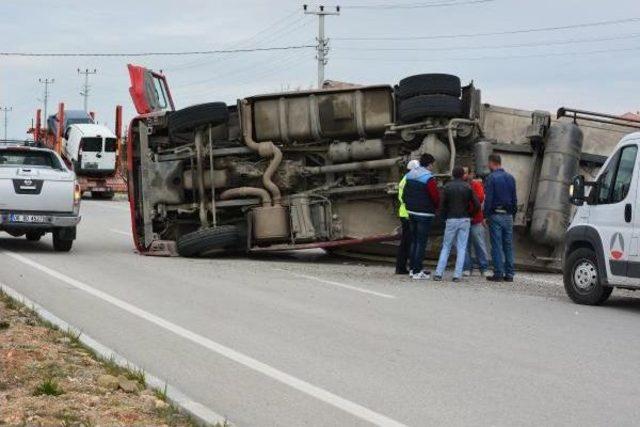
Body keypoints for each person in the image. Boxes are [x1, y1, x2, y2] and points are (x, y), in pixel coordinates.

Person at [434, 166, 480, 282]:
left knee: (446, 247)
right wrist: (470, 214)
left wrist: (443, 217)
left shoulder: (447, 187)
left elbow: (442, 205)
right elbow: (477, 205)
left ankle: (439, 273)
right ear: (462, 175)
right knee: (462, 247)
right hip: (464, 219)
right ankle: (457, 275)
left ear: (453, 175)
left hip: (451, 219)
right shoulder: (468, 187)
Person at [402, 153, 440, 280]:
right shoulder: (428, 178)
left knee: (414, 241)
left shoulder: (410, 175)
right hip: (424, 213)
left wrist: (408, 206)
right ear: (429, 164)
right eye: (432, 164)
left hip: (411, 212)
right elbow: (435, 197)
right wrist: (436, 208)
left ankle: (412, 269)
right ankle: (418, 271)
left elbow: (404, 194)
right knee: (421, 243)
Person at [483, 154, 517, 282]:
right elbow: (514, 199)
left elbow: (489, 199)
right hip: (508, 216)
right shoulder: (511, 178)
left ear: (492, 163)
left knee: (496, 245)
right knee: (508, 245)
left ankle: (498, 273)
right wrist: (513, 214)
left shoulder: (491, 178)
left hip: (496, 215)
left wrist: (486, 215)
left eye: (489, 164)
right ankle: (510, 274)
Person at [462, 167, 490, 277]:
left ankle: (484, 268)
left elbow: (480, 198)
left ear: (471, 174)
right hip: (464, 220)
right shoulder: (462, 185)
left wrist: (467, 203)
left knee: (480, 244)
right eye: (462, 173)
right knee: (464, 245)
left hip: (476, 220)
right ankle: (467, 268)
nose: (464, 175)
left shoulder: (476, 185)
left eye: (465, 173)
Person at [395, 159, 420, 274]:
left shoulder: (405, 179)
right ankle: (404, 267)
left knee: (406, 241)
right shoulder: (409, 180)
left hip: (404, 214)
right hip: (408, 214)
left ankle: (402, 267)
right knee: (408, 242)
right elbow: (406, 198)